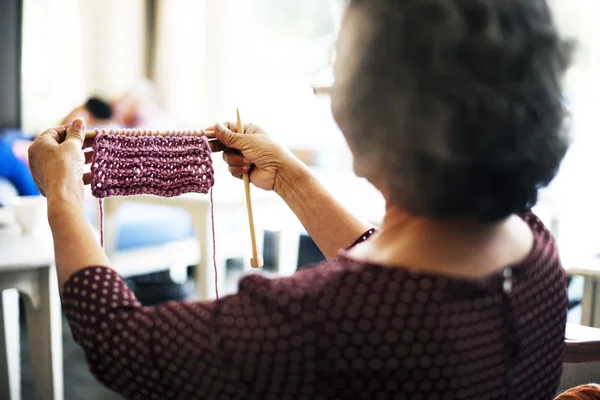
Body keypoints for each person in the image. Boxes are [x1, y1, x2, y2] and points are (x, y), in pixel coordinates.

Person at [28, 0, 572, 398]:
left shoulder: (320, 318)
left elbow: (120, 343)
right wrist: (289, 177)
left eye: (337, 75)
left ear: (375, 113)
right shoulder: (537, 254)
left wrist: (63, 198)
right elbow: (401, 265)